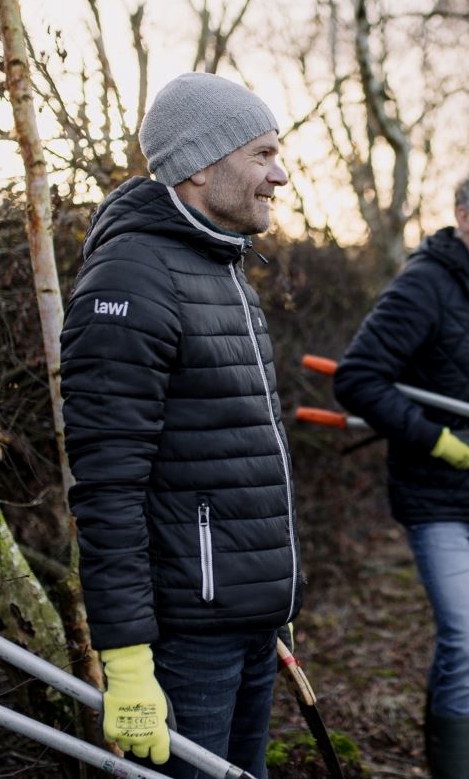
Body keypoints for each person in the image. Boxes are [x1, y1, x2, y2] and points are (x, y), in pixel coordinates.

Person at [60, 72, 300, 779]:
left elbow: (236, 458)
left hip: (245, 620)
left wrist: (270, 602)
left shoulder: (222, 268)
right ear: (198, 165)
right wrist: (126, 659)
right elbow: (108, 489)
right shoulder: (131, 279)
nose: (279, 175)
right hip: (185, 639)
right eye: (261, 155)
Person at [333, 160, 469, 778]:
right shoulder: (425, 284)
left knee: (468, 647)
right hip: (437, 500)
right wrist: (438, 440)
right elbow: (358, 379)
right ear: (465, 215)